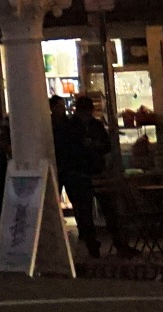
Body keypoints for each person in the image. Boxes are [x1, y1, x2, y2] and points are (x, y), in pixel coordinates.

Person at [52, 95, 119, 258]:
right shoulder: (69, 128)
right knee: (86, 211)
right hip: (80, 173)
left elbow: (106, 146)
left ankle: (117, 242)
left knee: (107, 209)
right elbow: (66, 150)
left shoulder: (90, 125)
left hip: (93, 172)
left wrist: (97, 148)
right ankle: (93, 245)